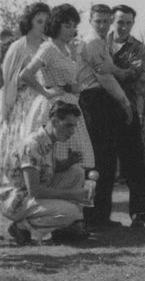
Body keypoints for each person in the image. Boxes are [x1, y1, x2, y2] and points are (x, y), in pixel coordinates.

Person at [74, 3, 134, 229]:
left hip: (101, 101)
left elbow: (111, 73)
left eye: (105, 21)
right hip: (92, 101)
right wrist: (125, 102)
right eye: (97, 21)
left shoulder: (100, 42)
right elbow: (105, 77)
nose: (102, 25)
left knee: (105, 161)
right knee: (97, 161)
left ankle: (101, 215)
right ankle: (94, 217)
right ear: (90, 21)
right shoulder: (91, 42)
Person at [18, 4, 95, 172]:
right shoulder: (48, 47)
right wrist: (46, 92)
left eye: (74, 26)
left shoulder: (66, 50)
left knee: (76, 161)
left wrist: (73, 87)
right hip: (55, 109)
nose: (71, 30)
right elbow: (26, 74)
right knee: (54, 159)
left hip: (71, 106)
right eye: (67, 26)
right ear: (56, 24)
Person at [1, 101, 89, 245]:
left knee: (76, 172)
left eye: (74, 126)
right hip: (15, 202)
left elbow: (46, 169)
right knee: (71, 212)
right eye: (68, 125)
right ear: (54, 121)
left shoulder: (48, 140)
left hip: (30, 196)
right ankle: (22, 228)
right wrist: (73, 195)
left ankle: (66, 228)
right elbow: (35, 190)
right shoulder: (33, 144)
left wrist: (68, 162)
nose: (72, 131)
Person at [107, 4, 145, 228]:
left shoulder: (138, 48)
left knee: (134, 164)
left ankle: (139, 214)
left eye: (128, 22)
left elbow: (131, 74)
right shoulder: (100, 43)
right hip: (101, 110)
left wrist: (106, 69)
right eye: (120, 21)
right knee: (103, 165)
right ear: (113, 21)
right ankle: (100, 215)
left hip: (127, 111)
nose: (123, 26)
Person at [0, 3, 50, 174]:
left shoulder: (48, 45)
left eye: (46, 22)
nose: (43, 25)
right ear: (30, 22)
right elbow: (8, 78)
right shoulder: (18, 47)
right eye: (39, 21)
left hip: (44, 100)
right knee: (23, 141)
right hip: (23, 103)